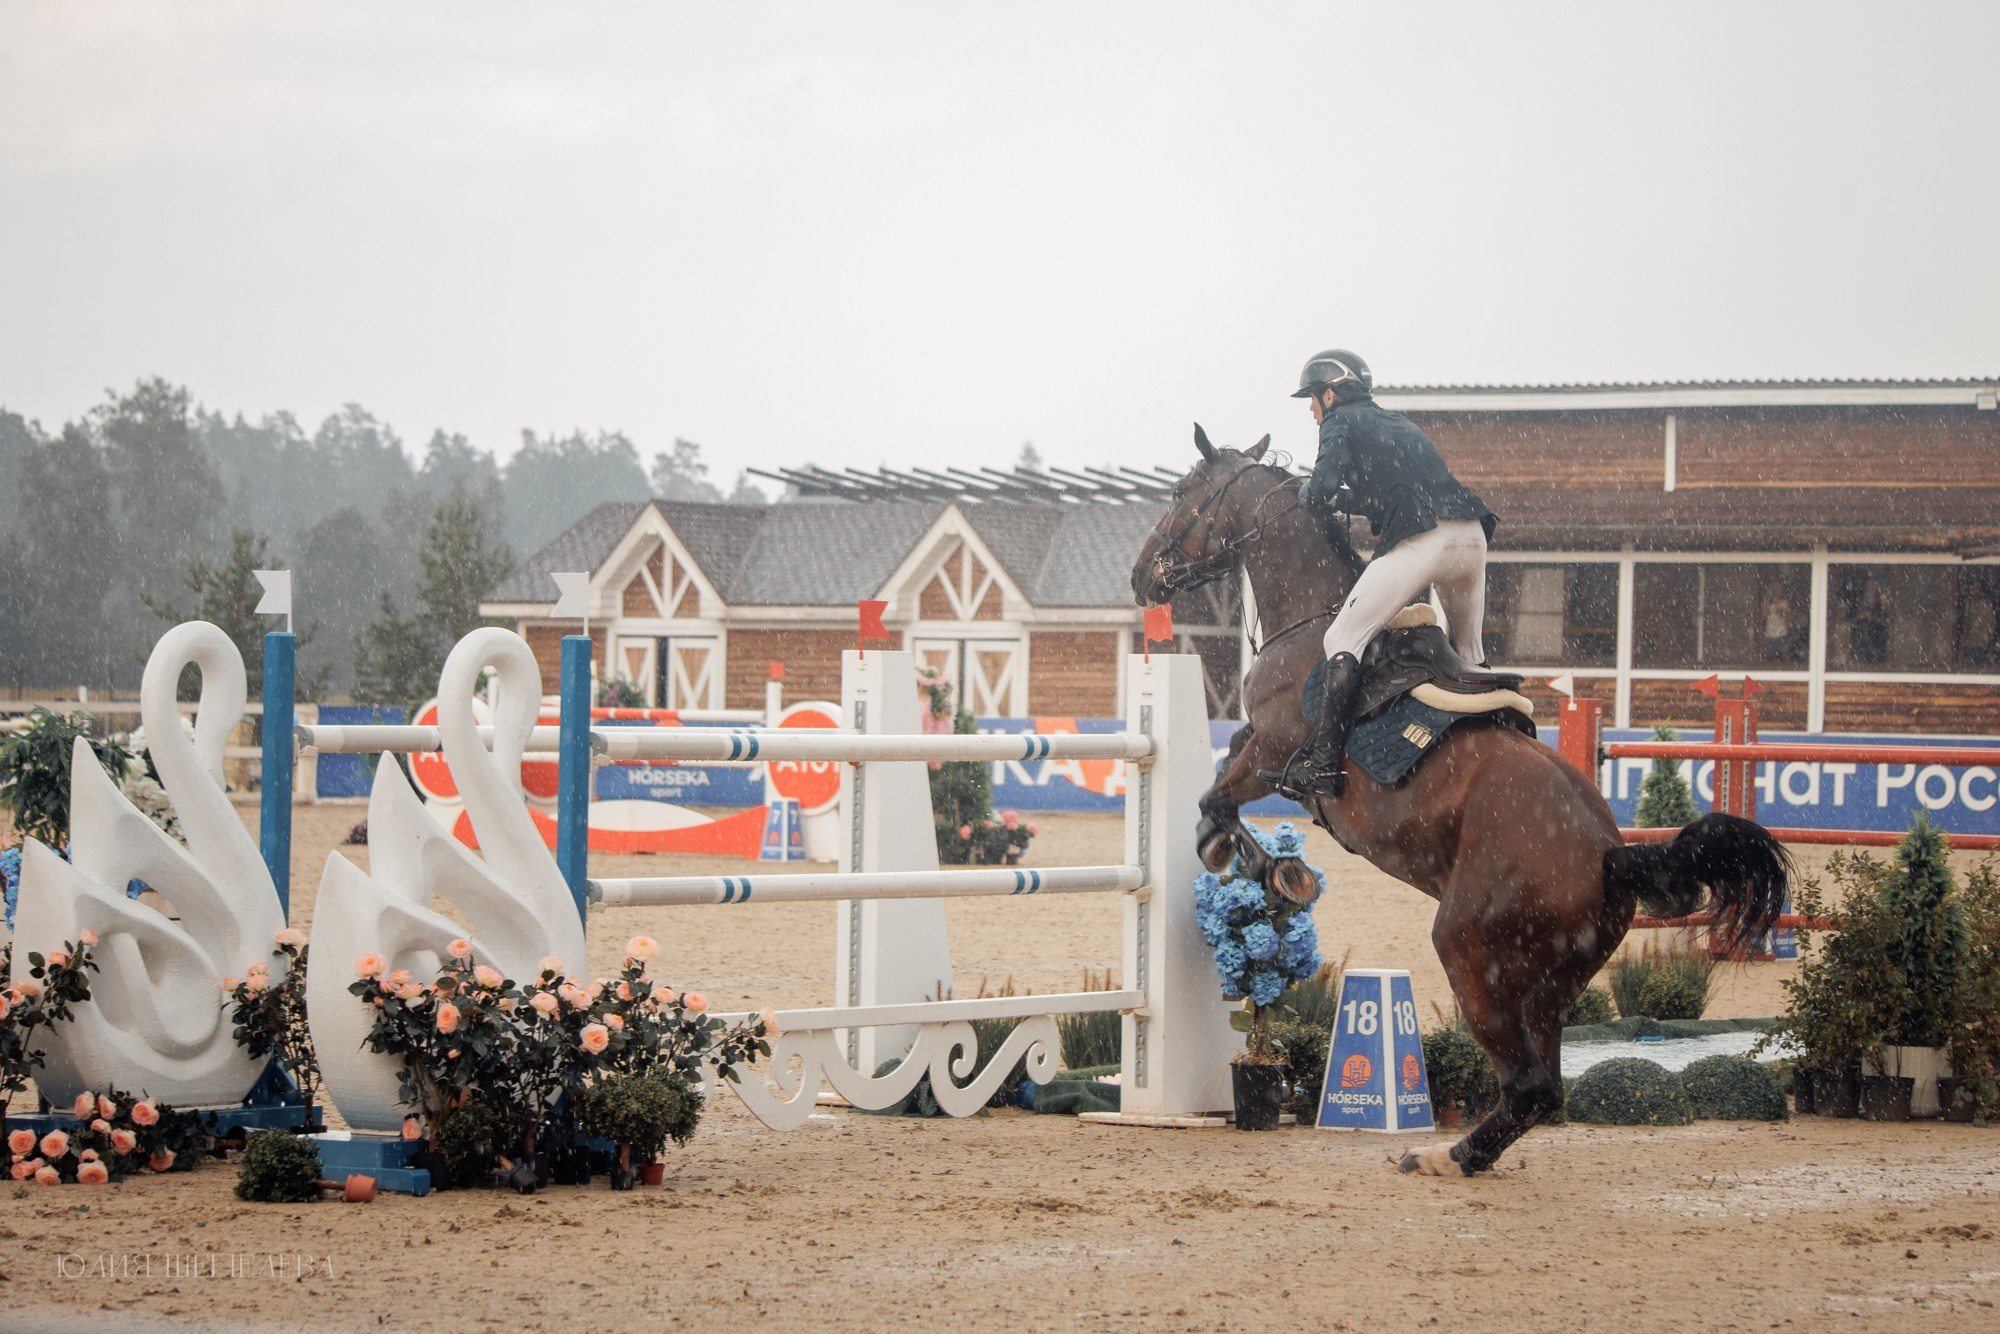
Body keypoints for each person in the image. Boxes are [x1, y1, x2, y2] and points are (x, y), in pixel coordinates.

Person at [1263, 349, 1498, 800]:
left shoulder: (1338, 423)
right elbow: (1377, 498)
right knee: (1469, 651)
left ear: (1330, 395)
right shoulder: (1400, 424)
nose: (1311, 411)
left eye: (1312, 399)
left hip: (1425, 539)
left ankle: (1324, 765)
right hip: (1471, 536)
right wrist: (1338, 498)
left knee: (1341, 640)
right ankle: (1489, 736)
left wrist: (1306, 491)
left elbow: (1323, 488)